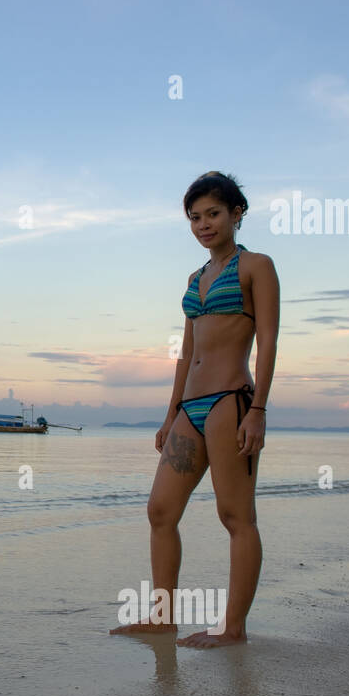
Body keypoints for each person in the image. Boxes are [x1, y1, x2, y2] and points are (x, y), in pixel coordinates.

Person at [110, 171, 280, 647]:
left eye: (213, 214)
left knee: (235, 517)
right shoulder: (195, 277)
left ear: (236, 214)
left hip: (232, 402)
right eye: (195, 217)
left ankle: (233, 627)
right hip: (191, 407)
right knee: (160, 511)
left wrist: (258, 410)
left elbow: (267, 342)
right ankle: (162, 617)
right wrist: (169, 416)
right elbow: (186, 354)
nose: (204, 224)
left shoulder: (256, 267)